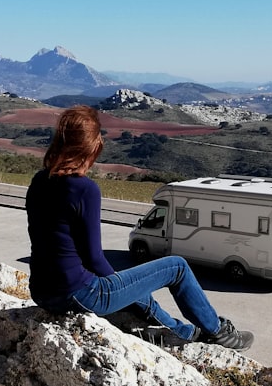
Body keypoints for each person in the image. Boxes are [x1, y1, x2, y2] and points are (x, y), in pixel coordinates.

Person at [24, 105, 254, 350]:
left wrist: (125, 287)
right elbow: (93, 257)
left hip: (42, 291)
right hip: (80, 295)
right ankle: (218, 332)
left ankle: (185, 332)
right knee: (177, 267)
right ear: (89, 149)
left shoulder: (39, 180)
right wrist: (118, 284)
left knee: (134, 286)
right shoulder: (85, 189)